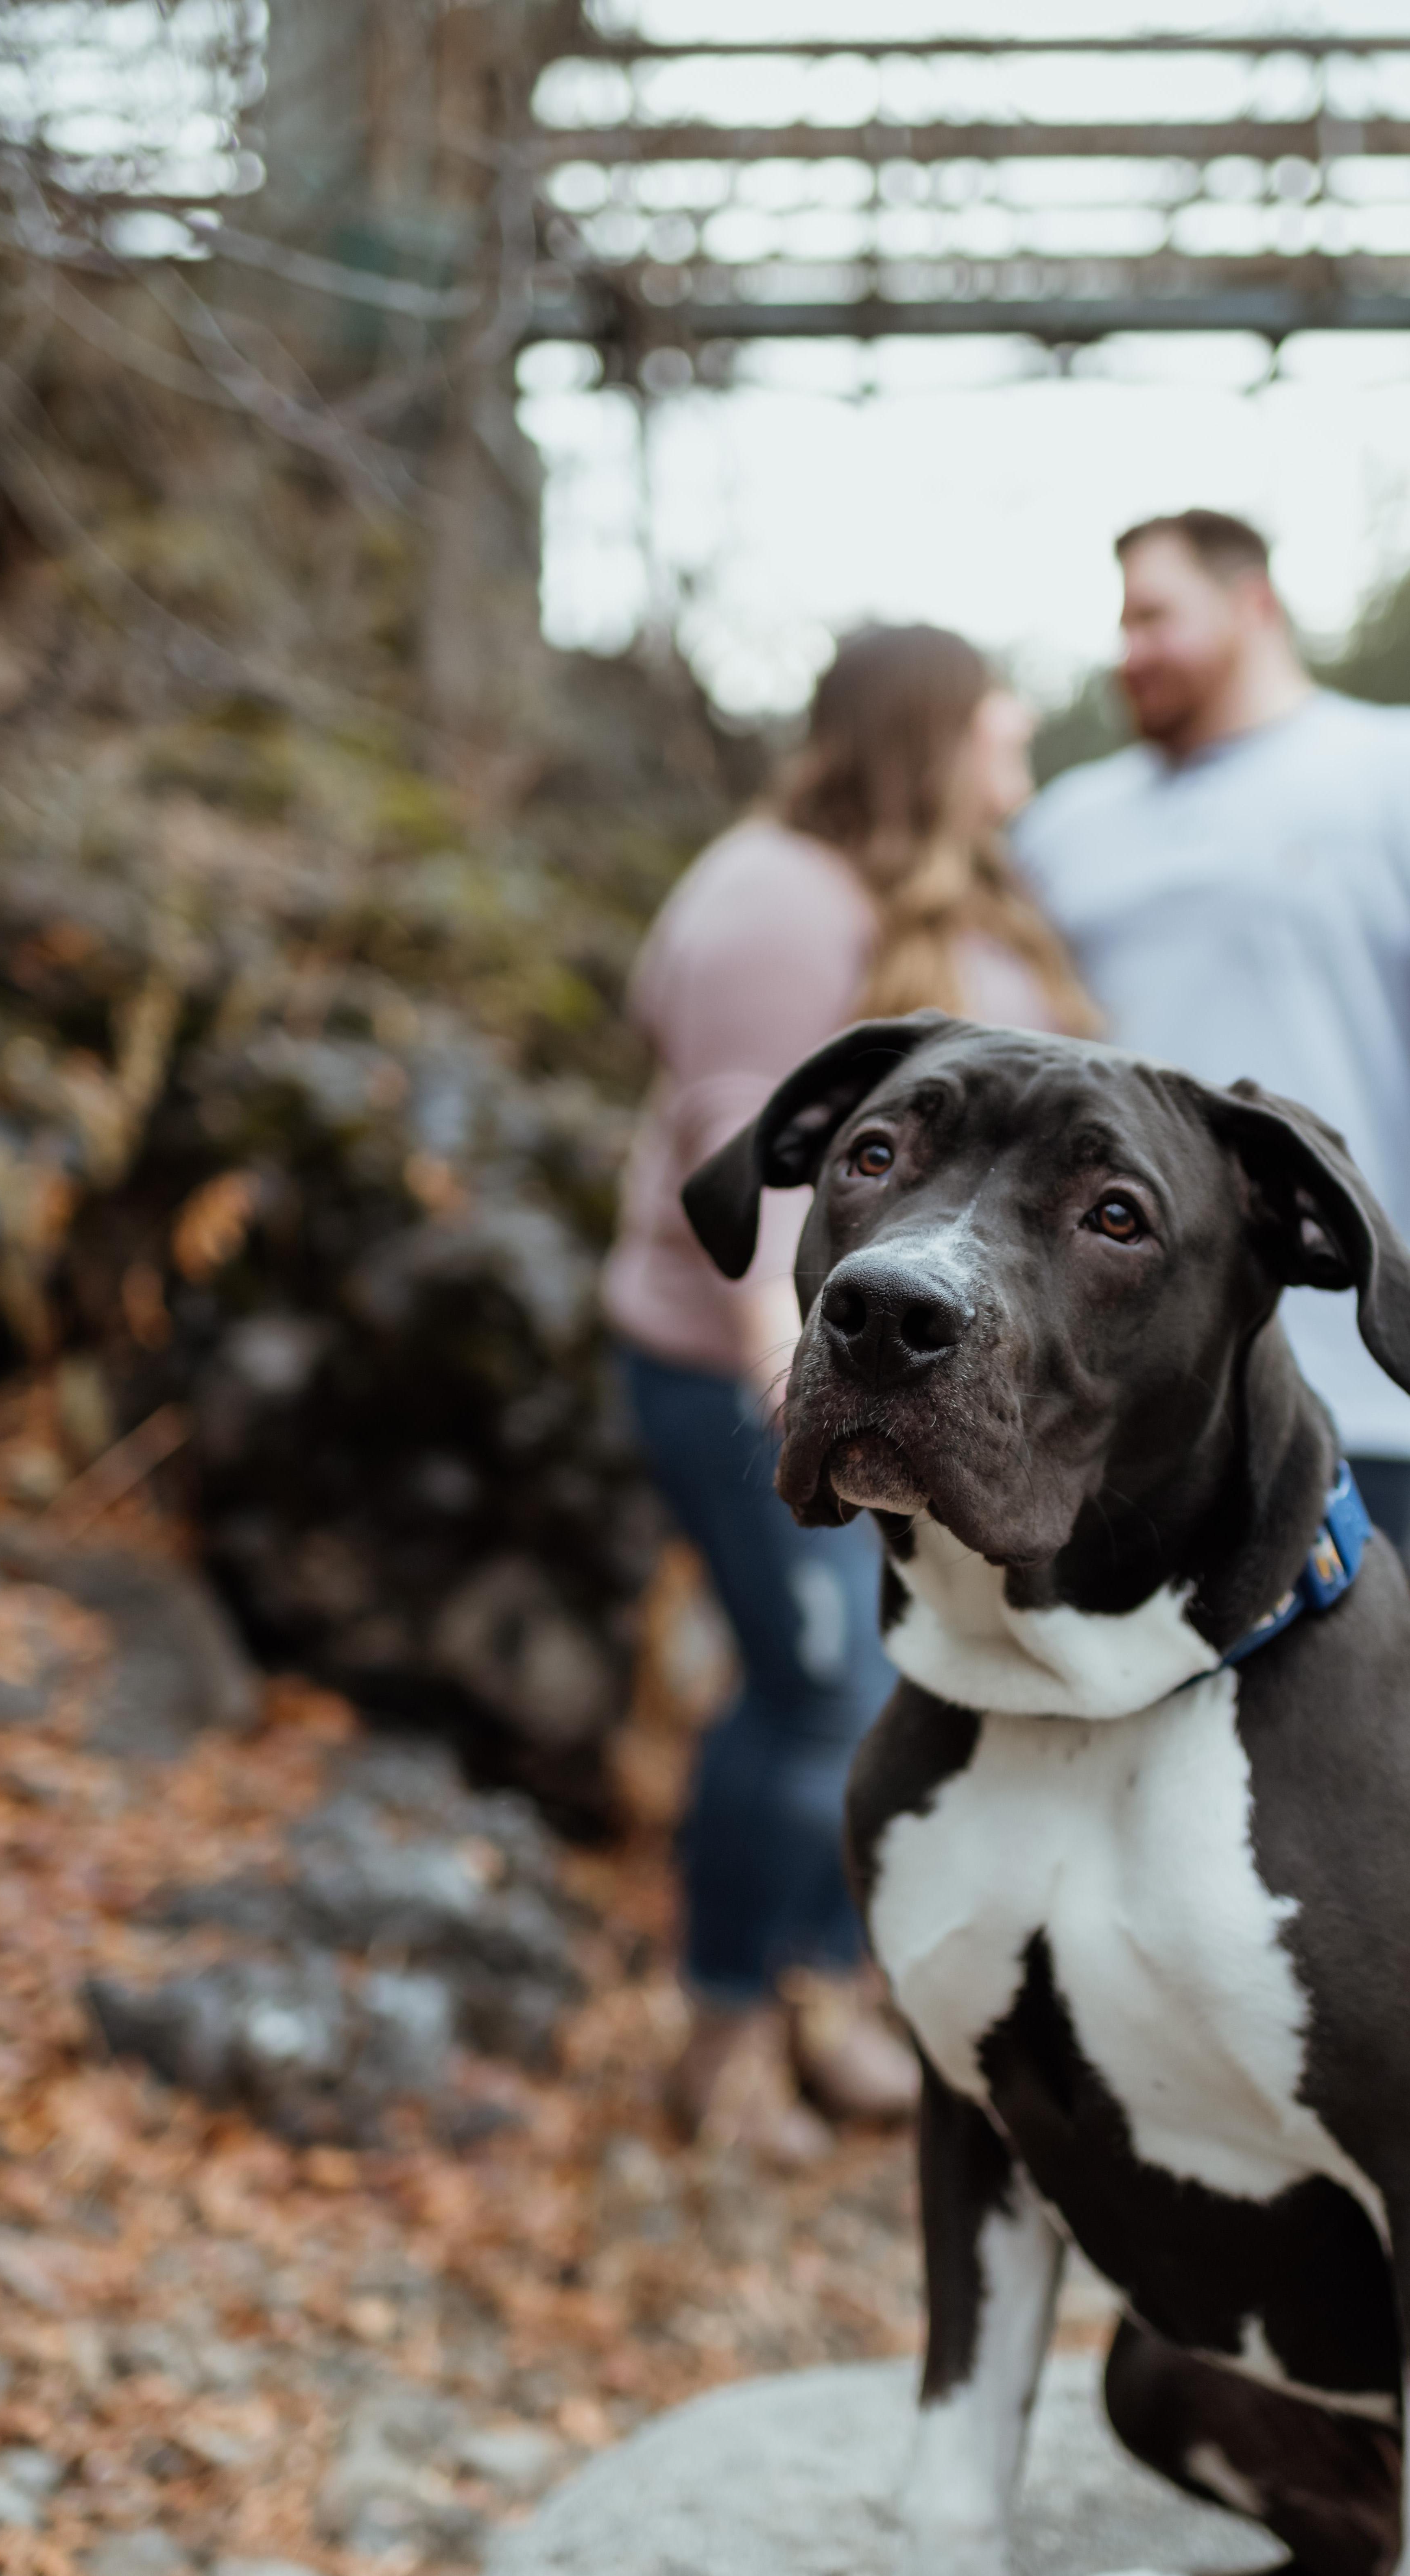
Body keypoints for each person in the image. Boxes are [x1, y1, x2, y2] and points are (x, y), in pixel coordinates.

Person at [604, 624, 1095, 2163]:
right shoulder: (774, 895)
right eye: (997, 710)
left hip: (906, 1375)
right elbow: (748, 1153)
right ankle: (724, 2029)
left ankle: (825, 1990)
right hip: (752, 1369)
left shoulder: (947, 883)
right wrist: (792, 1385)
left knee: (881, 1689)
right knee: (809, 1687)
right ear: (930, 727)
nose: (1023, 732)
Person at [1011, 507, 1410, 1552]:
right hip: (1100, 1370)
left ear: (1253, 606)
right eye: (1120, 625)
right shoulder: (1067, 826)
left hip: (1345, 1358)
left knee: (1330, 1681)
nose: (1128, 653)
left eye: (1155, 617)